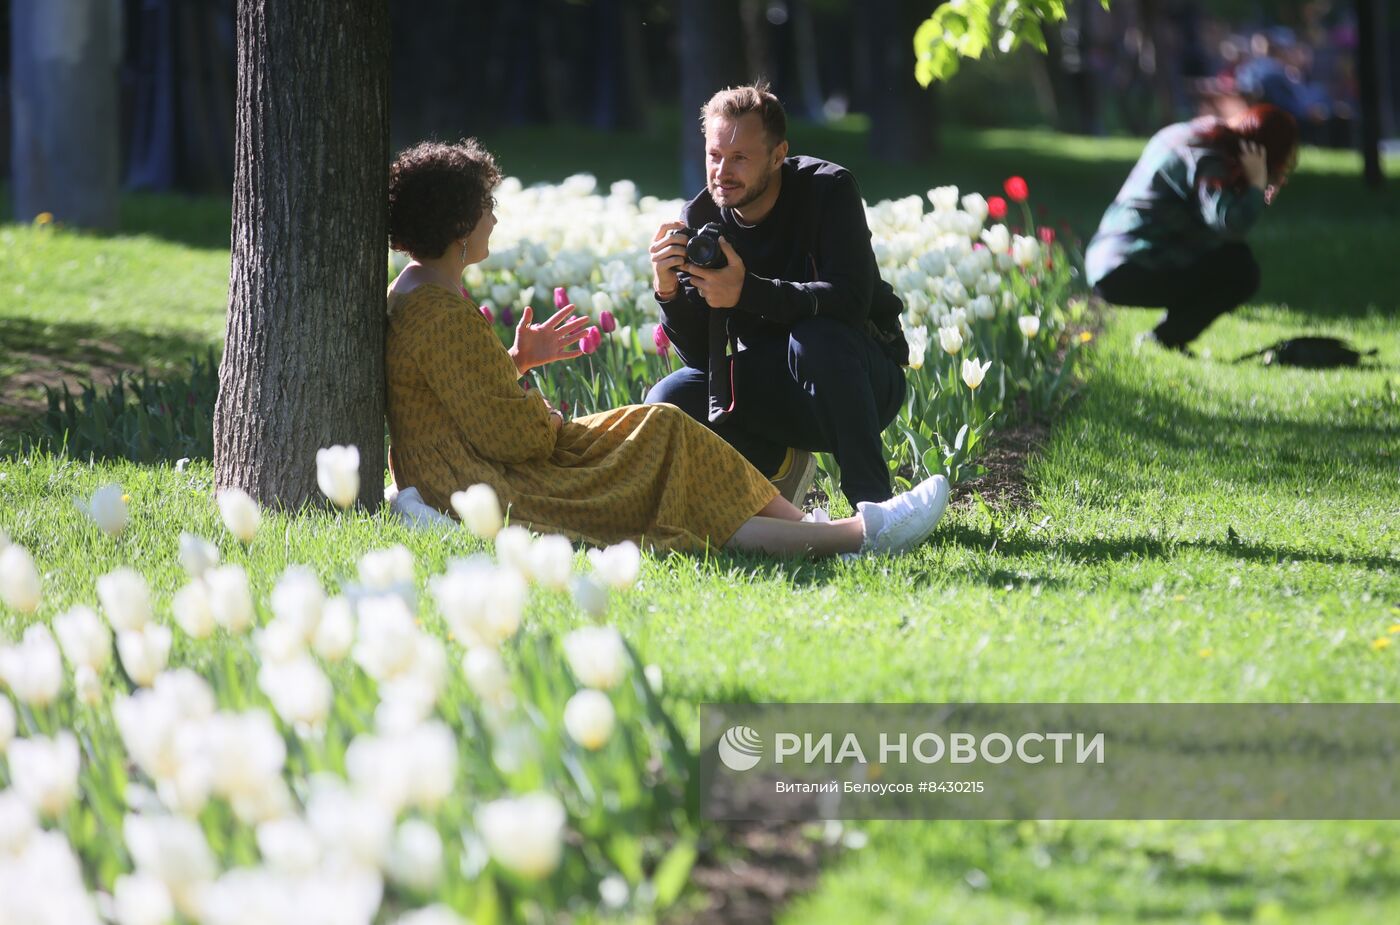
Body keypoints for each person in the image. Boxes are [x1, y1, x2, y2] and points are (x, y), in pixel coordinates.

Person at [383, 139, 950, 558]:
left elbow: (463, 399)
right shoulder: (437, 311)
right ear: (459, 224)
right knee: (663, 437)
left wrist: (515, 363)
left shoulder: (422, 292)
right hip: (487, 483)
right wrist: (541, 411)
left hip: (474, 466)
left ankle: (823, 530)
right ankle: (856, 535)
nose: (495, 215)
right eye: (486, 205)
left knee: (662, 426)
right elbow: (511, 434)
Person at [645, 83, 908, 509]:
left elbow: (849, 301)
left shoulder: (827, 190)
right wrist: (668, 290)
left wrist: (746, 291)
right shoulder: (701, 218)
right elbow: (701, 358)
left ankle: (873, 508)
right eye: (715, 156)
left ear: (778, 154)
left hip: (861, 377)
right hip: (777, 385)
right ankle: (780, 465)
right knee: (669, 401)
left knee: (816, 338)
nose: (722, 172)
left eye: (740, 158)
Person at [1086, 104, 1299, 351]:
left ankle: (1164, 338)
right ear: (1261, 153)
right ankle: (1163, 340)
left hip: (1108, 260)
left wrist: (1257, 194)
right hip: (1130, 266)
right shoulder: (1209, 158)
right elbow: (1230, 224)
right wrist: (1256, 186)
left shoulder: (1191, 134)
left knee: (1229, 259)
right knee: (1240, 270)